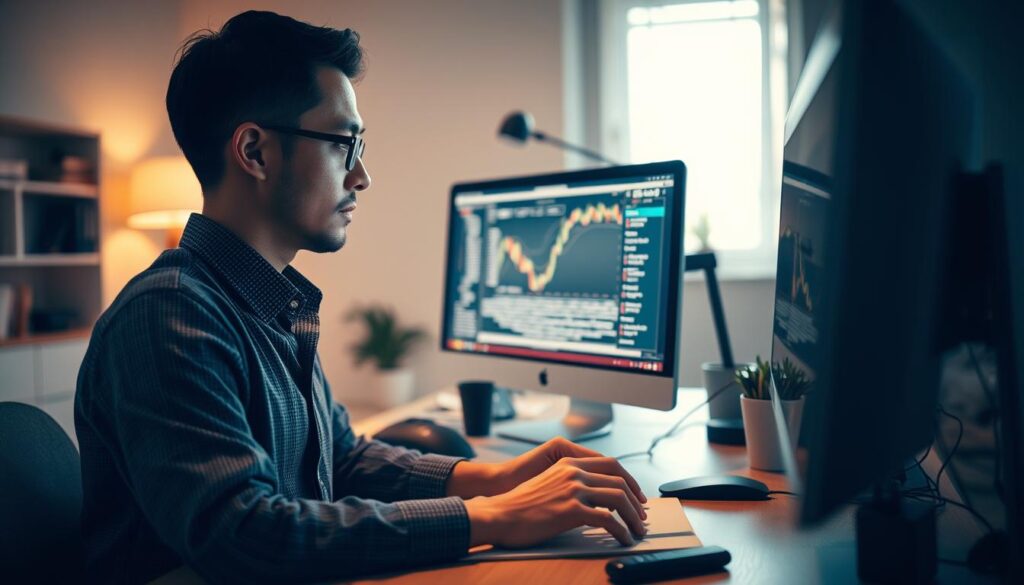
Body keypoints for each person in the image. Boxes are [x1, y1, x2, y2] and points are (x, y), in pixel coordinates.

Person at [74, 10, 648, 585]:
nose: (362, 176)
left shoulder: (271, 302)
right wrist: (492, 517)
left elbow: (341, 458)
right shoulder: (170, 316)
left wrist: (498, 479)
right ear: (255, 152)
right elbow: (243, 536)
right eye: (344, 145)